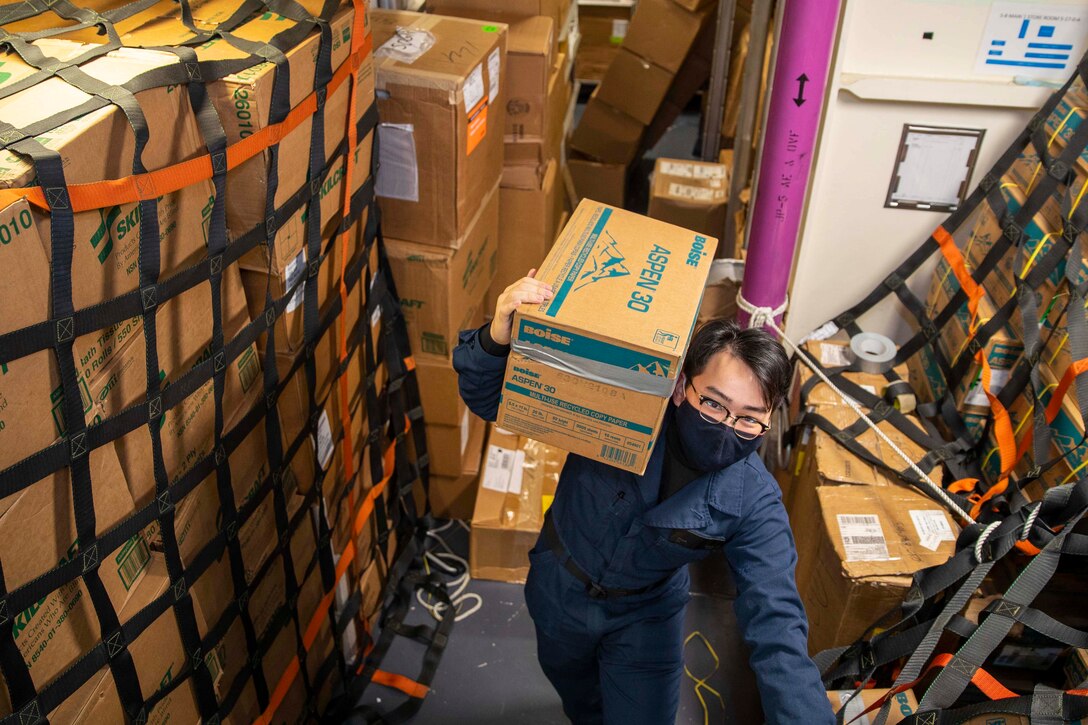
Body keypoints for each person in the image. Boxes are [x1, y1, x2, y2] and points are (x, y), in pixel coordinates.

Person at [452, 271, 835, 725]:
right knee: (577, 699)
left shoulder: (753, 499)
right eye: (713, 404)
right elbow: (491, 399)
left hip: (646, 615)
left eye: (750, 419)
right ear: (679, 388)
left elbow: (777, 622)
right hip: (561, 584)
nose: (728, 426)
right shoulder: (621, 407)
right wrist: (498, 334)